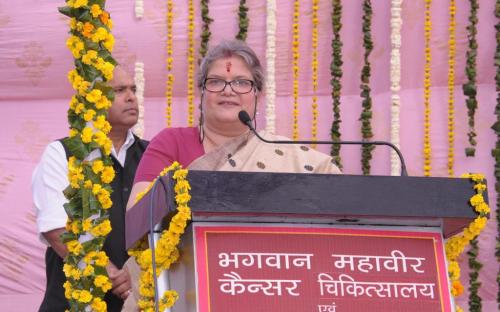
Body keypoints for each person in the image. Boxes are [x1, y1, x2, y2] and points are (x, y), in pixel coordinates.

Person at [122, 39, 340, 310]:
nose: (228, 91)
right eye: (215, 82)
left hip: (272, 287)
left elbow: (336, 219)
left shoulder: (289, 156)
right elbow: (140, 212)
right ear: (202, 92)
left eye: (241, 82)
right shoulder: (172, 142)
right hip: (186, 290)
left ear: (257, 94)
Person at [32, 65, 148, 312]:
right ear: (92, 99)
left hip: (141, 300)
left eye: (133, 90)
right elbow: (58, 230)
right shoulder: (64, 153)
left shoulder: (152, 155)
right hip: (73, 301)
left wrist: (135, 278)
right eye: (118, 90)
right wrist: (111, 275)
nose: (130, 97)